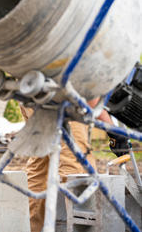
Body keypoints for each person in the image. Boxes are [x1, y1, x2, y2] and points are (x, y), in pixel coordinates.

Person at [21, 98, 128, 232]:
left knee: (42, 168)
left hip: (31, 94)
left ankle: (35, 228)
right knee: (79, 172)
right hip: (61, 101)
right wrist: (112, 129)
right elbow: (90, 96)